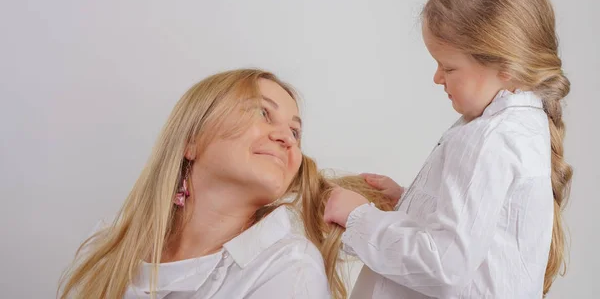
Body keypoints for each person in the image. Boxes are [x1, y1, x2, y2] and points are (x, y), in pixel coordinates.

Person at [325, 0, 572, 298]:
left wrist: (358, 218)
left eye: (448, 66)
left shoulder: (488, 138)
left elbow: (444, 267)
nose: (437, 78)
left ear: (506, 65)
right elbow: (479, 232)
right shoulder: (516, 129)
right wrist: (409, 202)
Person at [58, 68, 390, 299]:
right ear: (192, 140)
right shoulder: (102, 251)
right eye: (262, 113)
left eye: (295, 131)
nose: (286, 137)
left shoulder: (289, 267)